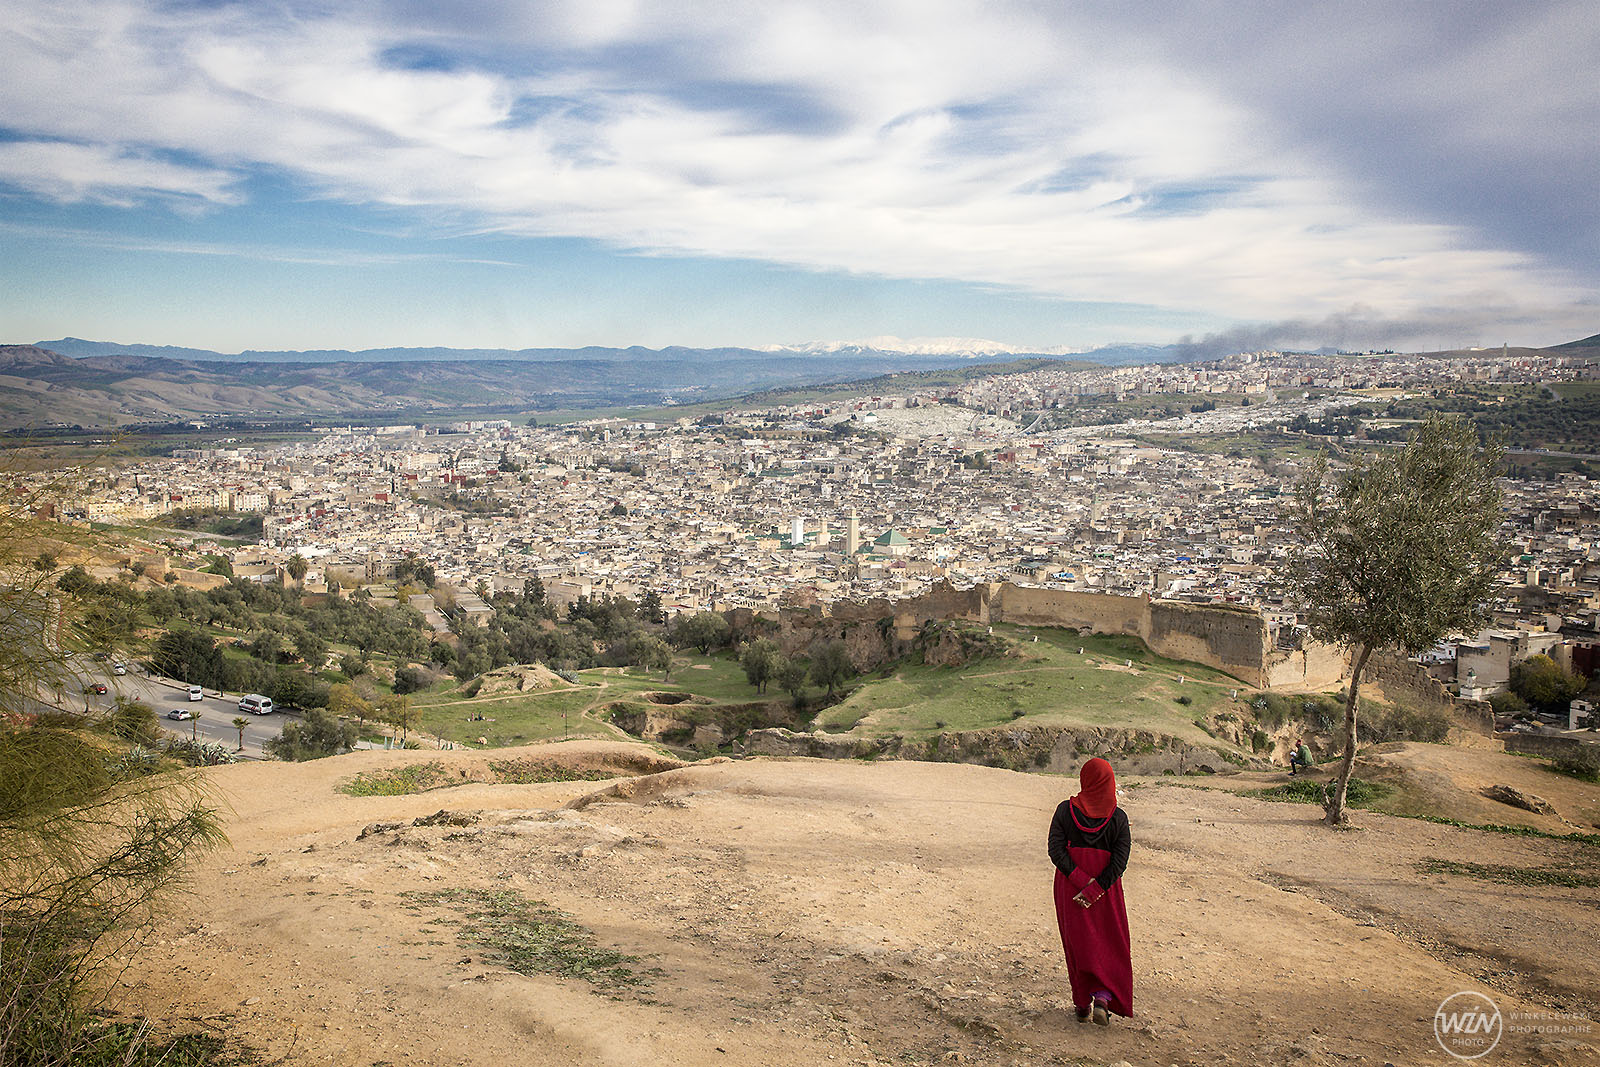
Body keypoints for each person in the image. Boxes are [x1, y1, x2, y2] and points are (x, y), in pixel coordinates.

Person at [1047, 757, 1132, 1026]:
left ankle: (1082, 1002)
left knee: (1077, 942)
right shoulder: (1118, 818)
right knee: (1108, 941)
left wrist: (1081, 880)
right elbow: (1120, 861)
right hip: (1105, 892)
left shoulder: (1065, 811)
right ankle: (1103, 997)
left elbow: (1055, 849)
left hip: (1070, 887)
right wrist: (1096, 887)